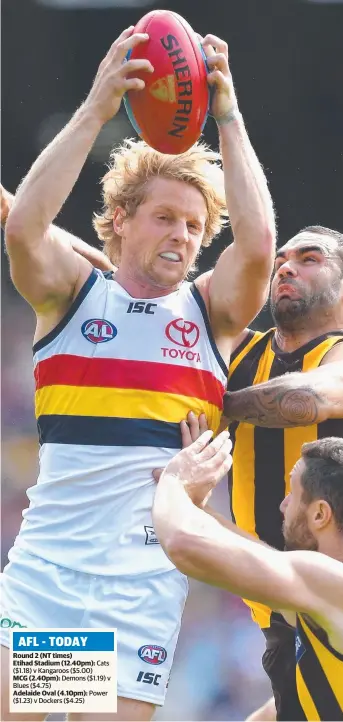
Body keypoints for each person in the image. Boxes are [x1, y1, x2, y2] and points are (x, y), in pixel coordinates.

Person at [1, 22, 275, 722]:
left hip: (137, 589)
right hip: (48, 579)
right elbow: (26, 230)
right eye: (163, 218)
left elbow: (258, 244)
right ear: (118, 220)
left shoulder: (211, 315)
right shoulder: (70, 294)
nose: (181, 235)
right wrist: (95, 109)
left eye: (192, 225)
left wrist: (229, 116)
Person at [222, 225, 343, 720]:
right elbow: (133, 307)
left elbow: (312, 398)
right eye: (282, 260)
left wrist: (221, 403)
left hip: (324, 598)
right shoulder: (241, 352)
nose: (287, 267)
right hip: (279, 617)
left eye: (310, 258)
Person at [153, 430, 343, 722]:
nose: (283, 505)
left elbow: (182, 543)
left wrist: (174, 480)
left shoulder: (330, 583)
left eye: (292, 493)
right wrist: (198, 507)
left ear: (320, 514)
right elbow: (265, 558)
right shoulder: (324, 594)